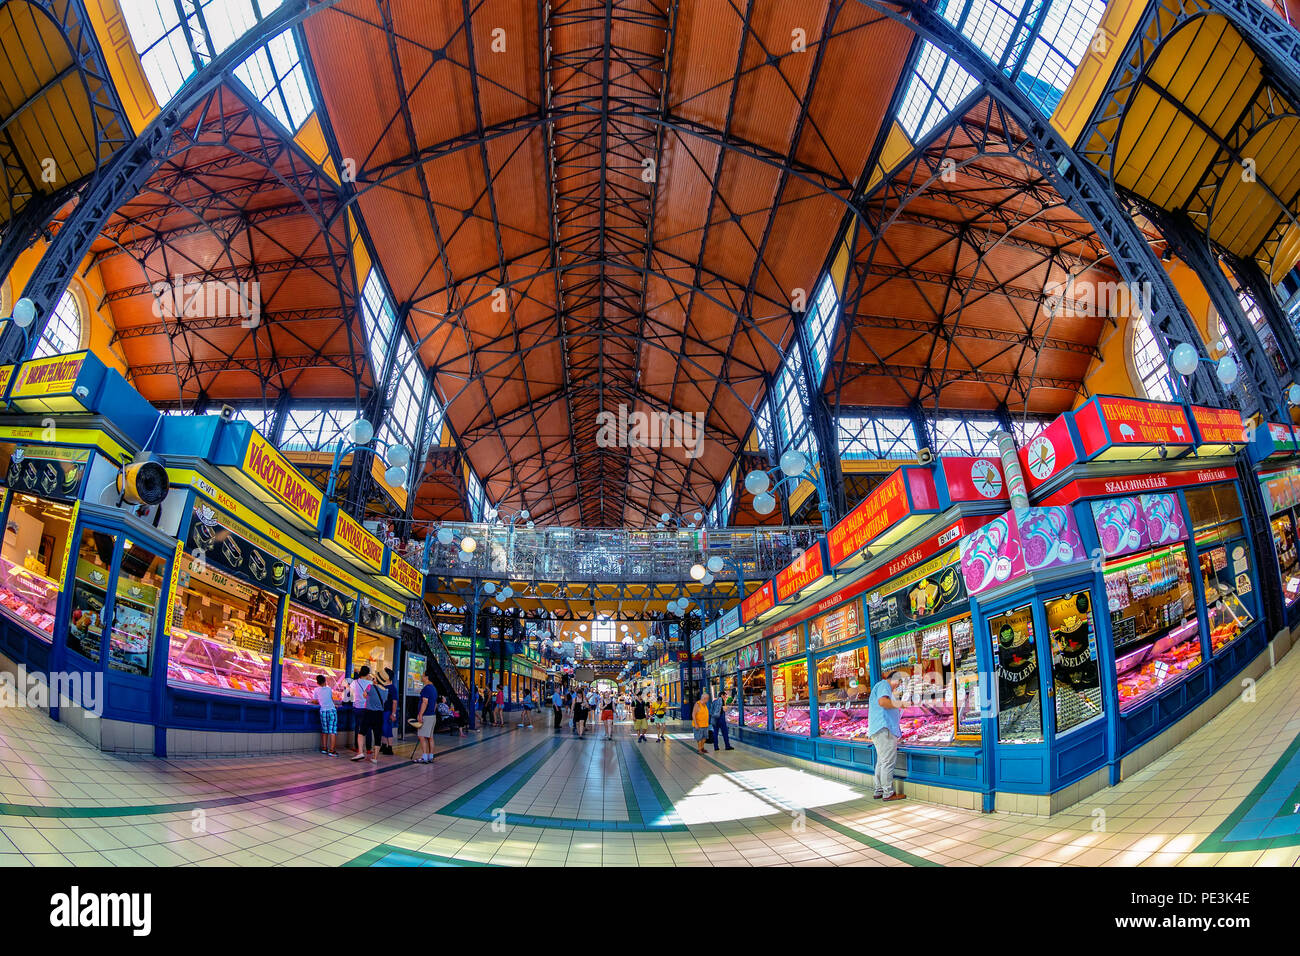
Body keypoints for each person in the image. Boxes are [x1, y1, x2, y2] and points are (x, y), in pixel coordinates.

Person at [868, 670, 908, 801]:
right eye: (899, 682)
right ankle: (888, 793)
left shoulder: (881, 686)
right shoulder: (884, 685)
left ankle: (879, 789)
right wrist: (900, 704)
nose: (898, 686)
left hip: (880, 729)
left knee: (881, 762)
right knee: (887, 762)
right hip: (884, 729)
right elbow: (883, 702)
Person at [350, 666, 384, 762]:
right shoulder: (370, 683)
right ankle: (368, 749)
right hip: (367, 708)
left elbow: (351, 693)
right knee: (368, 729)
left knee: (359, 728)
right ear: (368, 673)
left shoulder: (354, 682)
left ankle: (358, 748)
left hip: (357, 707)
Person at [413, 671, 438, 763]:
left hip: (426, 716)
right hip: (432, 715)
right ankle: (431, 756)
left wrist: (420, 714)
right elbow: (435, 703)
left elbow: (425, 702)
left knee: (421, 736)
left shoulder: (426, 688)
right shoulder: (434, 688)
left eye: (423, 676)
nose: (422, 677)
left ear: (427, 677)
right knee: (430, 737)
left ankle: (424, 757)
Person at [312, 674, 337, 755]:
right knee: (332, 731)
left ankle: (324, 748)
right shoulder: (329, 689)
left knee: (325, 731)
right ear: (325, 681)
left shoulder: (316, 690)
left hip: (323, 711)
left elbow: (316, 701)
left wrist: (310, 701)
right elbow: (330, 699)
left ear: (317, 682)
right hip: (332, 711)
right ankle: (332, 751)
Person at [379, 667, 398, 756]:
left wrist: (393, 714)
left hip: (388, 712)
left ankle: (389, 747)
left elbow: (395, 702)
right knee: (382, 728)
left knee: (387, 729)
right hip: (382, 711)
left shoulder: (392, 688)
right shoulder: (383, 686)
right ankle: (383, 745)